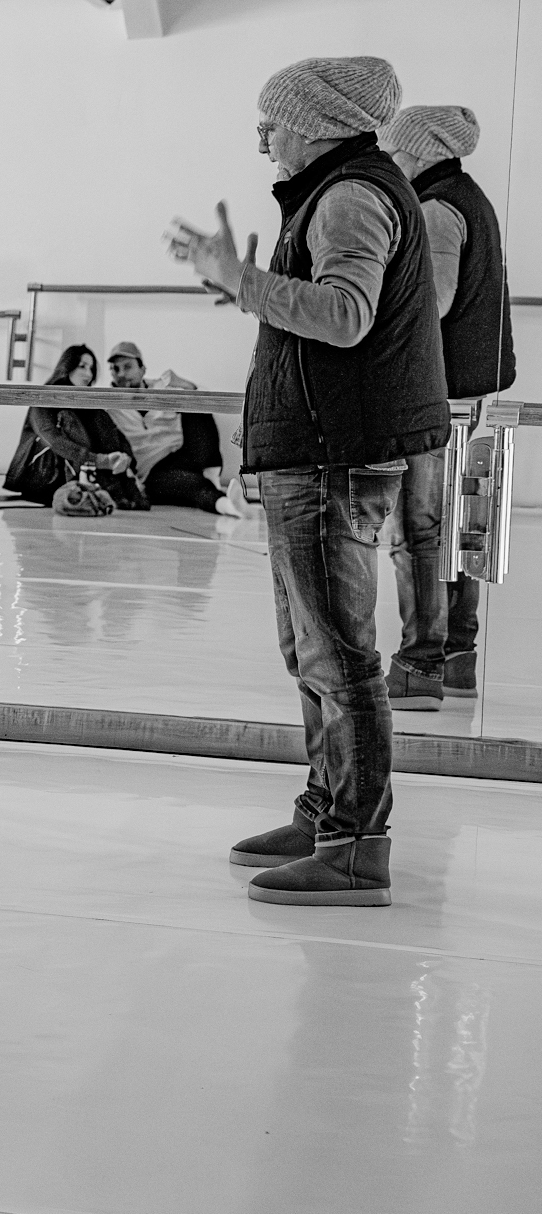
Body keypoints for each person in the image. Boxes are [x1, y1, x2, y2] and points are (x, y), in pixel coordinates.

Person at [168, 54, 448, 907]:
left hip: (332, 457)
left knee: (340, 655)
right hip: (318, 451)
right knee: (311, 651)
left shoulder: (351, 196)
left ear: (318, 125)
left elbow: (346, 315)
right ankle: (328, 814)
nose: (263, 140)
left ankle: (356, 844)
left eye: (273, 123)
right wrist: (249, 288)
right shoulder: (338, 192)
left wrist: (244, 281)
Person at [377, 105, 516, 710]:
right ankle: (459, 659)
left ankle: (419, 664)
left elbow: (428, 305)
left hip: (439, 397)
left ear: (419, 151)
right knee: (464, 530)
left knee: (419, 532)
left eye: (394, 152)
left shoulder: (436, 209)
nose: (390, 163)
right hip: (474, 395)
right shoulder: (471, 199)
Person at [105, 341, 245, 518]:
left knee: (194, 401)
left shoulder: (162, 388)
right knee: (193, 484)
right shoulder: (107, 404)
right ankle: (227, 505)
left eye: (127, 367)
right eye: (115, 369)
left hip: (183, 455)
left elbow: (203, 405)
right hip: (152, 472)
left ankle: (212, 476)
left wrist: (186, 386)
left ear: (142, 369)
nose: (121, 374)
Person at [3, 346, 147, 509]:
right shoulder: (43, 397)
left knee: (99, 415)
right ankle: (107, 486)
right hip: (43, 477)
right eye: (82, 366)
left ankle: (112, 483)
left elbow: (117, 436)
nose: (88, 374)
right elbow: (54, 441)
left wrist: (124, 458)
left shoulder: (89, 405)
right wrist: (102, 461)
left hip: (79, 472)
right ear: (67, 366)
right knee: (68, 416)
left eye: (91, 369)